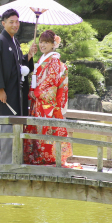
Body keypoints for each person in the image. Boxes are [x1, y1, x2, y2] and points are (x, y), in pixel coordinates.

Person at [0, 9, 36, 164]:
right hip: (4, 94)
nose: (15, 24)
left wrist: (29, 56)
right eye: (11, 22)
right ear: (3, 23)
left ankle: (13, 161)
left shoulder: (14, 41)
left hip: (15, 93)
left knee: (14, 125)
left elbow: (18, 65)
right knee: (4, 125)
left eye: (17, 21)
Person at [23, 30, 74, 166]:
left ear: (53, 44)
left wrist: (37, 92)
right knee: (38, 128)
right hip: (39, 100)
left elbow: (51, 81)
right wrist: (33, 90)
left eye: (46, 42)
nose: (42, 45)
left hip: (46, 103)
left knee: (46, 128)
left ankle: (48, 157)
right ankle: (38, 156)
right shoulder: (43, 59)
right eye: (41, 42)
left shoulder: (54, 60)